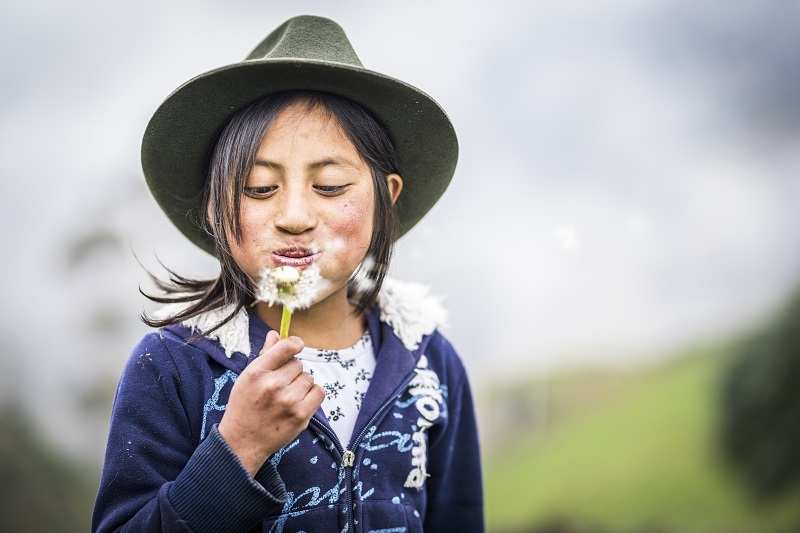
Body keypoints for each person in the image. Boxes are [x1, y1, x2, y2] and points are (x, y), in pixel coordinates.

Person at [91, 14, 484, 533]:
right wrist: (237, 449)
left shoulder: (431, 365)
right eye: (259, 188)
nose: (295, 216)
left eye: (329, 186)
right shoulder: (172, 368)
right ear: (214, 209)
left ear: (386, 199)